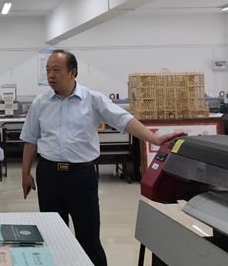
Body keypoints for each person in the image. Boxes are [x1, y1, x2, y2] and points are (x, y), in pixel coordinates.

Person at [20, 50, 185, 266]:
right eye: (48, 70)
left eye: (56, 70)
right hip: (49, 175)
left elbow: (124, 120)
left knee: (88, 238)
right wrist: (25, 173)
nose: (51, 75)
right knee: (53, 236)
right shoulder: (40, 102)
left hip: (81, 177)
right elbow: (30, 139)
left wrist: (155, 139)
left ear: (73, 72)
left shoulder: (93, 99)